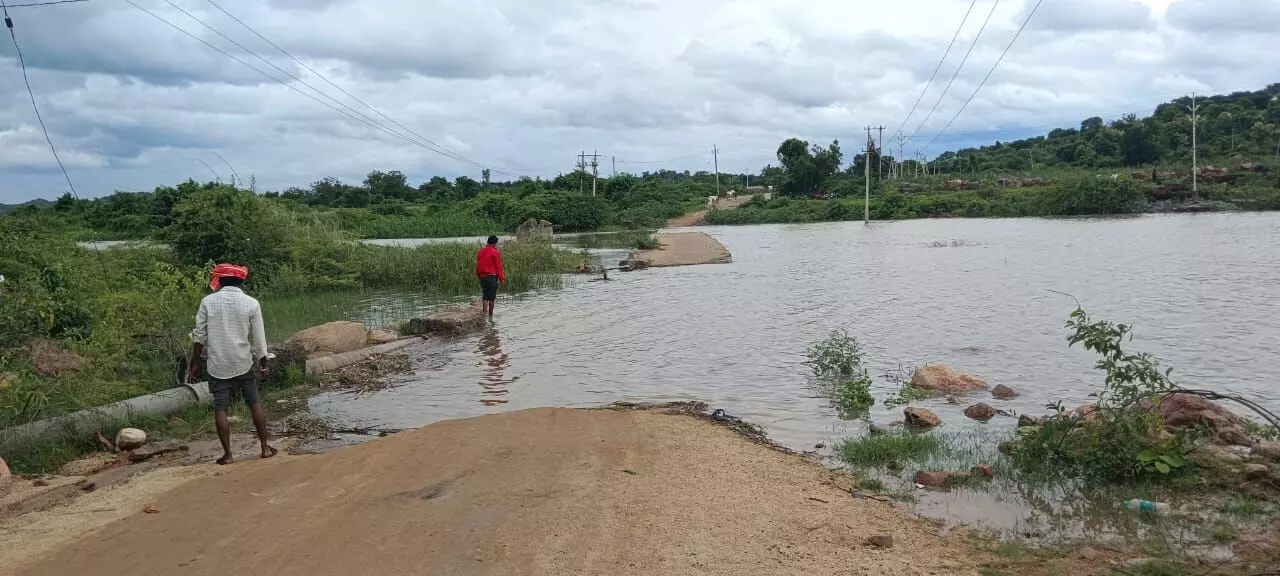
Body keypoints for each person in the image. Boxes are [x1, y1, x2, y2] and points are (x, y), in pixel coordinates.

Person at [188, 263, 276, 465]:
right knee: (254, 403)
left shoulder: (207, 302)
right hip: (242, 361)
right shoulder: (251, 303)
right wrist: (263, 365)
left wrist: (195, 362)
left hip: (217, 364)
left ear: (220, 281)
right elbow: (259, 339)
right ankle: (265, 448)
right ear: (240, 282)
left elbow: (199, 336)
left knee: (221, 408)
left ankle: (228, 455)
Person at [475, 235, 506, 318]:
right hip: (492, 277)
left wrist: (479, 276)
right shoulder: (495, 252)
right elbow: (498, 266)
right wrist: (502, 279)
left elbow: (478, 265)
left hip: (482, 277)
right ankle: (490, 316)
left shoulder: (481, 251)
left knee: (485, 296)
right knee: (492, 298)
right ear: (494, 243)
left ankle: (484, 314)